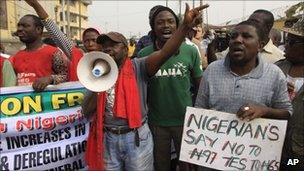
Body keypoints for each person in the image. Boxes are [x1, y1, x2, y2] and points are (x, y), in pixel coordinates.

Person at [81, 4, 209, 171]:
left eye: (113, 45)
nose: (108, 49)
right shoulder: (95, 74)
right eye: (104, 46)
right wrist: (98, 85)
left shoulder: (139, 66)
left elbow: (164, 53)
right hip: (109, 138)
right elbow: (86, 111)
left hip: (135, 137)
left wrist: (185, 26)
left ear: (126, 50)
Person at [137, 6, 203, 171]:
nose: (165, 26)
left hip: (186, 122)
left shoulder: (191, 51)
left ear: (177, 25)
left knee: (188, 166)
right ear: (153, 27)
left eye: (170, 21)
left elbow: (200, 85)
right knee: (161, 166)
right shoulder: (144, 54)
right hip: (156, 123)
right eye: (160, 22)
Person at [195, 19, 292, 123]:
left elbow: (286, 112)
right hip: (214, 138)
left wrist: (265, 111)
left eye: (246, 36)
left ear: (260, 46)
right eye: (233, 36)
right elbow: (199, 109)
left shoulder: (274, 74)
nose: (237, 40)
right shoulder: (212, 70)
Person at [25, 0, 101, 81]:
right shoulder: (77, 55)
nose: (90, 44)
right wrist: (36, 5)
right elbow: (54, 31)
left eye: (94, 40)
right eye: (86, 41)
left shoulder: (110, 57)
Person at [10, 14, 68, 91]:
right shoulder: (17, 56)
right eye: (19, 26)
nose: (20, 29)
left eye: (25, 26)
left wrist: (50, 79)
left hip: (47, 101)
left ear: (38, 29)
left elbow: (65, 76)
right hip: (23, 101)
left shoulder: (54, 52)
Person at [276, 17, 304, 171]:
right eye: (287, 40)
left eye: (292, 42)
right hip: (273, 145)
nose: (285, 45)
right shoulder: (277, 69)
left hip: (298, 155)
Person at [209, 9, 285, 64]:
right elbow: (216, 64)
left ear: (268, 28)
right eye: (249, 21)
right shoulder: (237, 46)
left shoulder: (279, 57)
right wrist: (211, 48)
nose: (249, 24)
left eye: (255, 22)